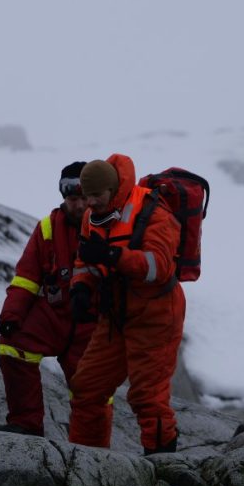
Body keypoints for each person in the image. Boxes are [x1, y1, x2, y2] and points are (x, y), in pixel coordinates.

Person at [68, 153, 185, 454]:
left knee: (148, 397)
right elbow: (84, 259)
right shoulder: (91, 218)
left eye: (96, 195)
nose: (90, 203)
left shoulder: (153, 210)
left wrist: (112, 256)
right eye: (86, 195)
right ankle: (87, 460)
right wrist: (80, 288)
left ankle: (163, 466)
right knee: (86, 389)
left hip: (155, 315)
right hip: (115, 316)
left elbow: (159, 267)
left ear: (112, 189)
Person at [0, 162, 98, 436]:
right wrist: (11, 316)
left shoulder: (111, 225)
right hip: (56, 314)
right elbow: (26, 278)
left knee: (92, 389)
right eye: (72, 199)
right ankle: (26, 423)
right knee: (12, 344)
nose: (78, 205)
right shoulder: (47, 227)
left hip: (92, 323)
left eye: (83, 199)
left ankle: (91, 450)